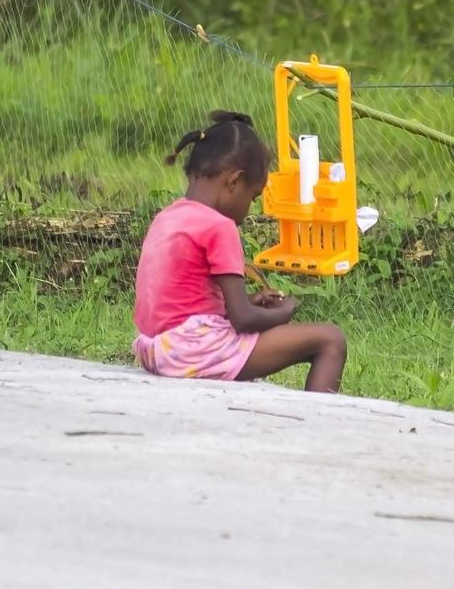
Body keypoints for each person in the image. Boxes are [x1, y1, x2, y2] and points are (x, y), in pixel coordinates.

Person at [132, 110, 347, 392]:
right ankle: (318, 430)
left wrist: (250, 300)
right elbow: (243, 319)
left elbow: (185, 303)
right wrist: (286, 311)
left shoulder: (168, 217)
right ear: (234, 182)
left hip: (155, 349)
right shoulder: (219, 226)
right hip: (192, 352)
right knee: (330, 340)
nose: (249, 209)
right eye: (253, 196)